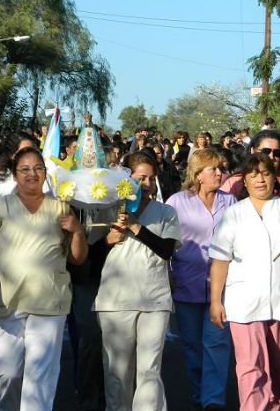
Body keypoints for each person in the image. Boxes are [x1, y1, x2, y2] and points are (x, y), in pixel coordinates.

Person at [0, 147, 88, 410]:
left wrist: (78, 231)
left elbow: (77, 258)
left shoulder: (61, 207)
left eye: (38, 168)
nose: (32, 174)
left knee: (41, 376)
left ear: (45, 173)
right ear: (15, 174)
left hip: (50, 302)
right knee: (6, 374)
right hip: (6, 301)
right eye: (25, 169)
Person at [208, 153, 280, 411]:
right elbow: (220, 260)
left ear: (274, 177)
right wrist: (215, 301)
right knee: (250, 366)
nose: (260, 179)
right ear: (244, 181)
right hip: (244, 303)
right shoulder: (233, 214)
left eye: (265, 173)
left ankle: (274, 406)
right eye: (253, 174)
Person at [94, 152, 182, 411]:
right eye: (141, 178)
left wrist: (135, 228)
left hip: (154, 300)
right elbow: (90, 257)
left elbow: (167, 249)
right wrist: (110, 237)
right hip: (114, 301)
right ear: (126, 178)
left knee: (149, 370)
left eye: (151, 178)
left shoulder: (166, 212)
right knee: (117, 372)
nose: (147, 184)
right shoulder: (109, 209)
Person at [166, 149, 236, 411]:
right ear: (197, 174)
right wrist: (168, 273)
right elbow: (167, 242)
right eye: (213, 169)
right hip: (186, 284)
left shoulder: (230, 202)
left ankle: (212, 401)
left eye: (221, 168)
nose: (220, 173)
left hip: (222, 288)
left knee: (216, 344)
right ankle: (198, 395)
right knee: (193, 348)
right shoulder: (176, 202)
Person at [220, 130, 280, 214]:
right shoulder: (234, 183)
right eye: (266, 151)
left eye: (277, 153)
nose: (271, 157)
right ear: (252, 150)